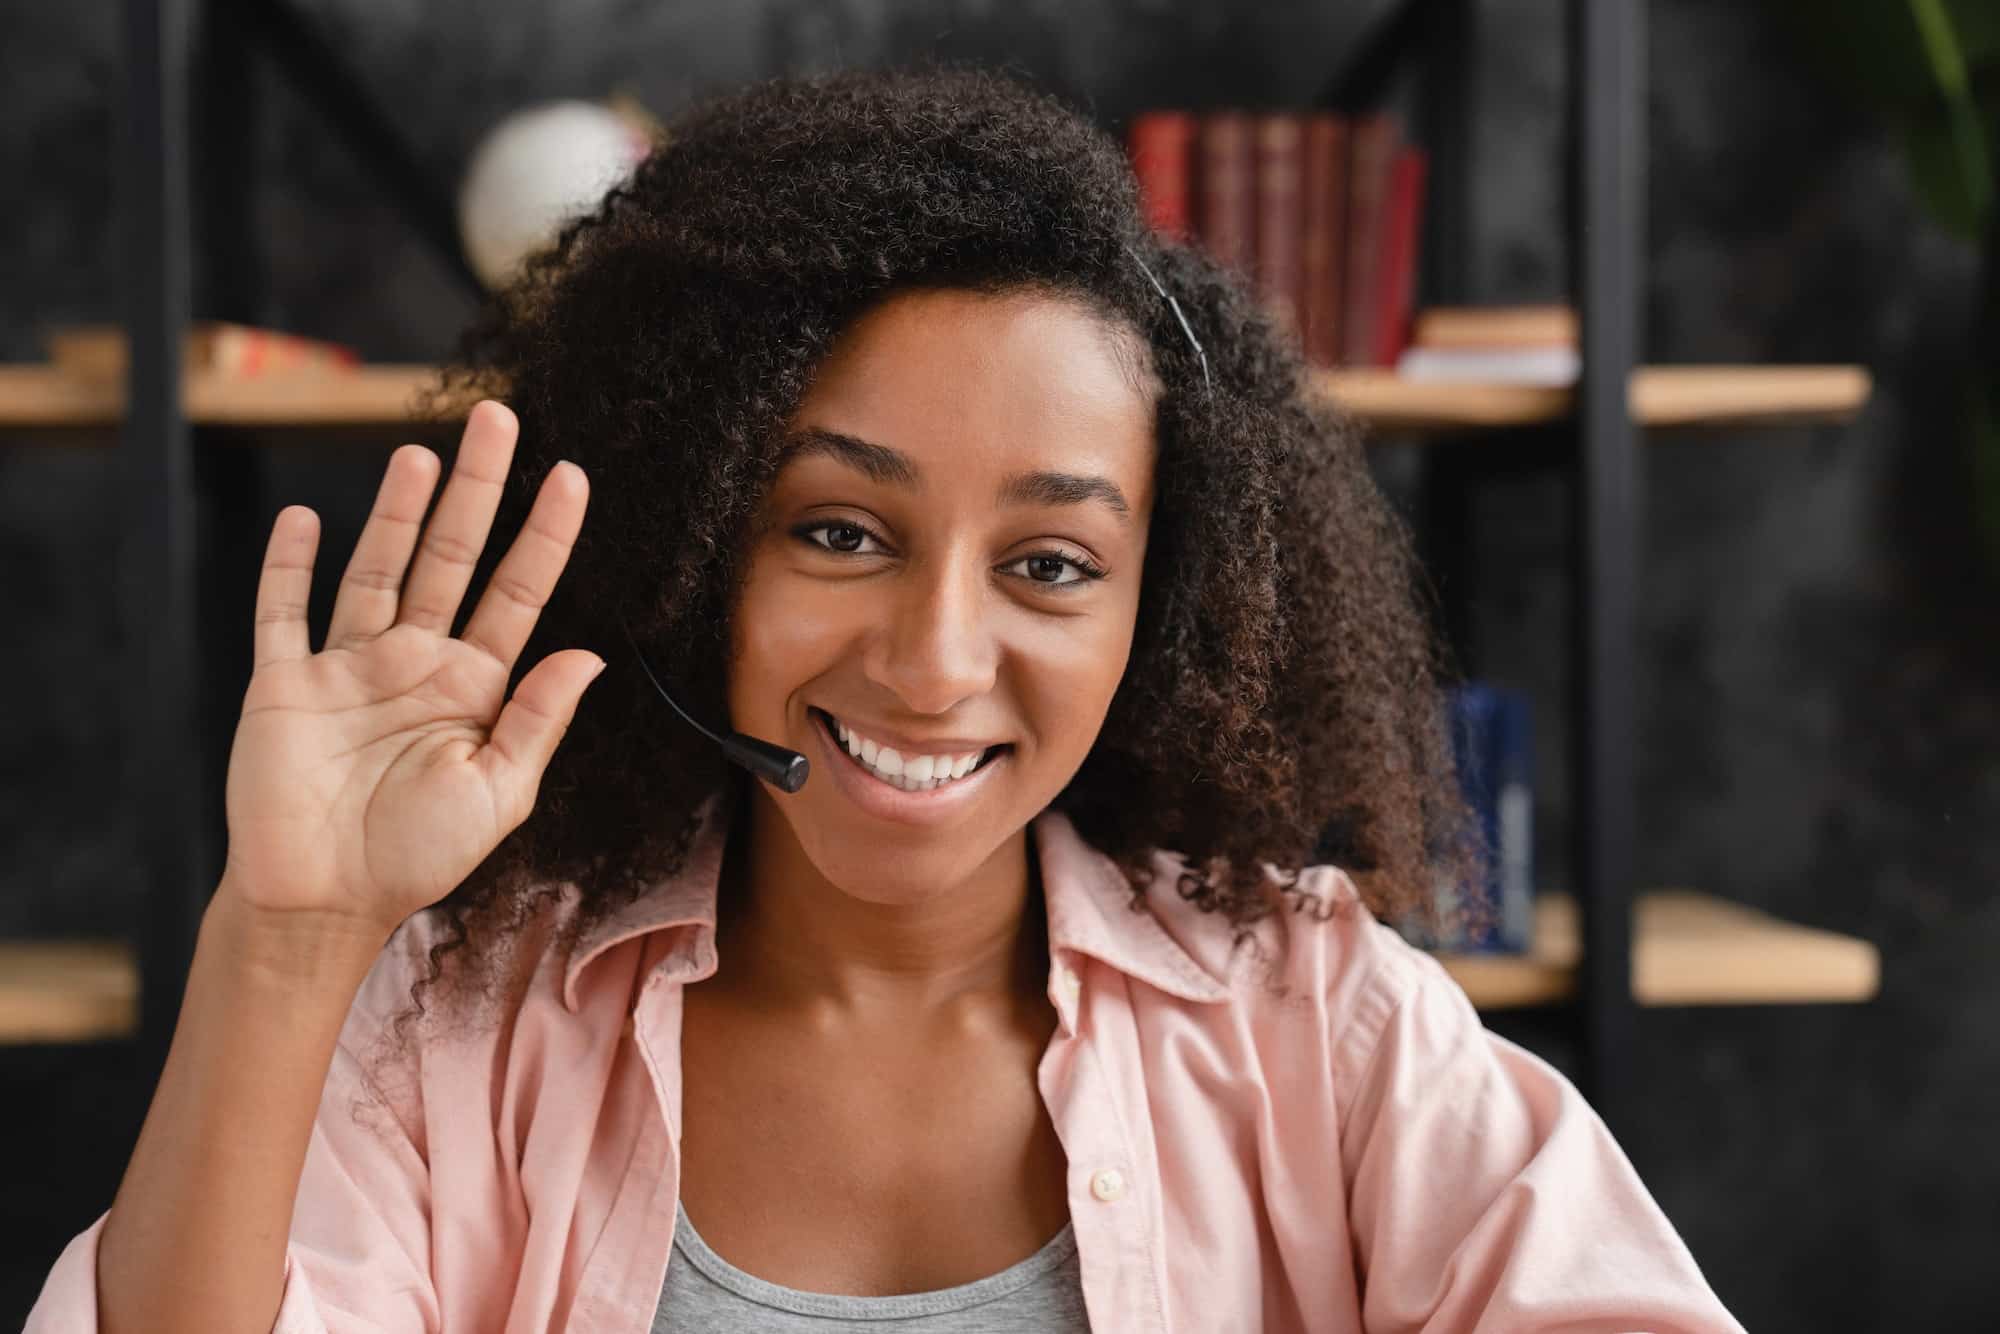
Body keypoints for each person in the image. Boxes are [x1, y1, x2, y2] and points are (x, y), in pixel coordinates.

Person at [27, 64, 1745, 1334]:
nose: (934, 660)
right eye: (839, 530)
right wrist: (286, 939)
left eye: (1051, 563)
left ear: (1165, 606)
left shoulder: (1315, 1018)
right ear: (705, 545)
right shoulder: (463, 1025)